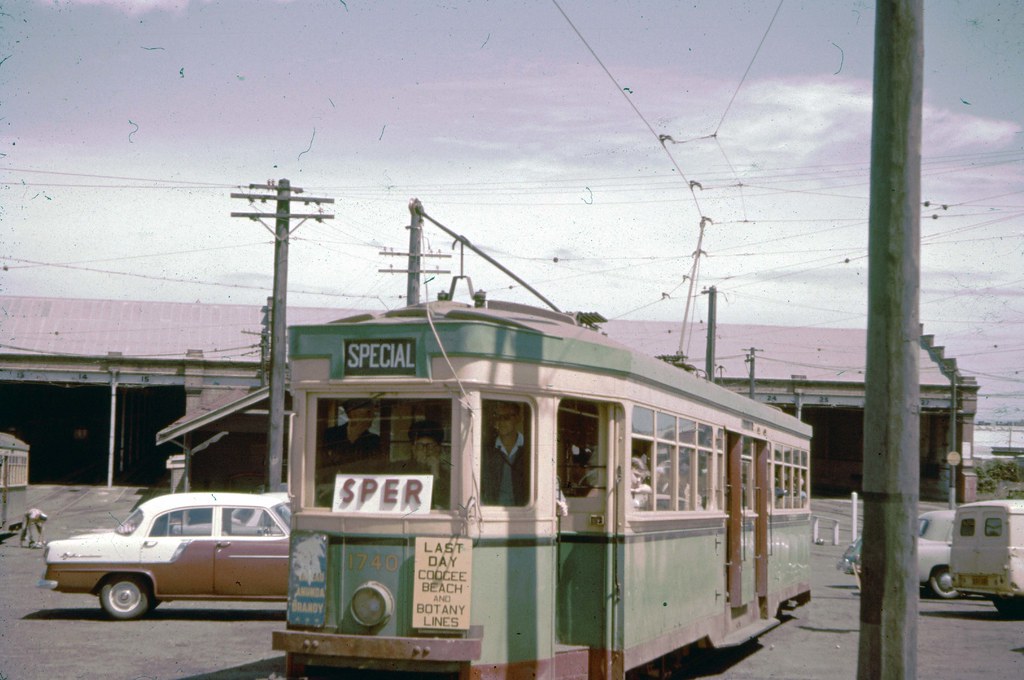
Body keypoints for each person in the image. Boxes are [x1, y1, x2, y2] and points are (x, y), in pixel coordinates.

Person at [316, 398, 382, 502]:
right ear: (352, 414)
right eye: (368, 412)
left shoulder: (374, 441)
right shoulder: (331, 435)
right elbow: (321, 465)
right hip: (328, 496)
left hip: (361, 497)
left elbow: (374, 472)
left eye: (373, 413)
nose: (372, 416)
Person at [481, 401, 530, 506]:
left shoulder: (530, 449)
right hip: (493, 512)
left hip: (523, 513)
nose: (501, 422)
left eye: (506, 417)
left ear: (518, 418)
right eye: (498, 417)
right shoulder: (487, 451)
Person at [406, 419, 449, 509]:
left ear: (438, 449)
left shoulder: (447, 476)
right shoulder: (403, 470)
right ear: (414, 449)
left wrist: (435, 474)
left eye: (430, 446)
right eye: (420, 446)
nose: (425, 451)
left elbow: (444, 504)